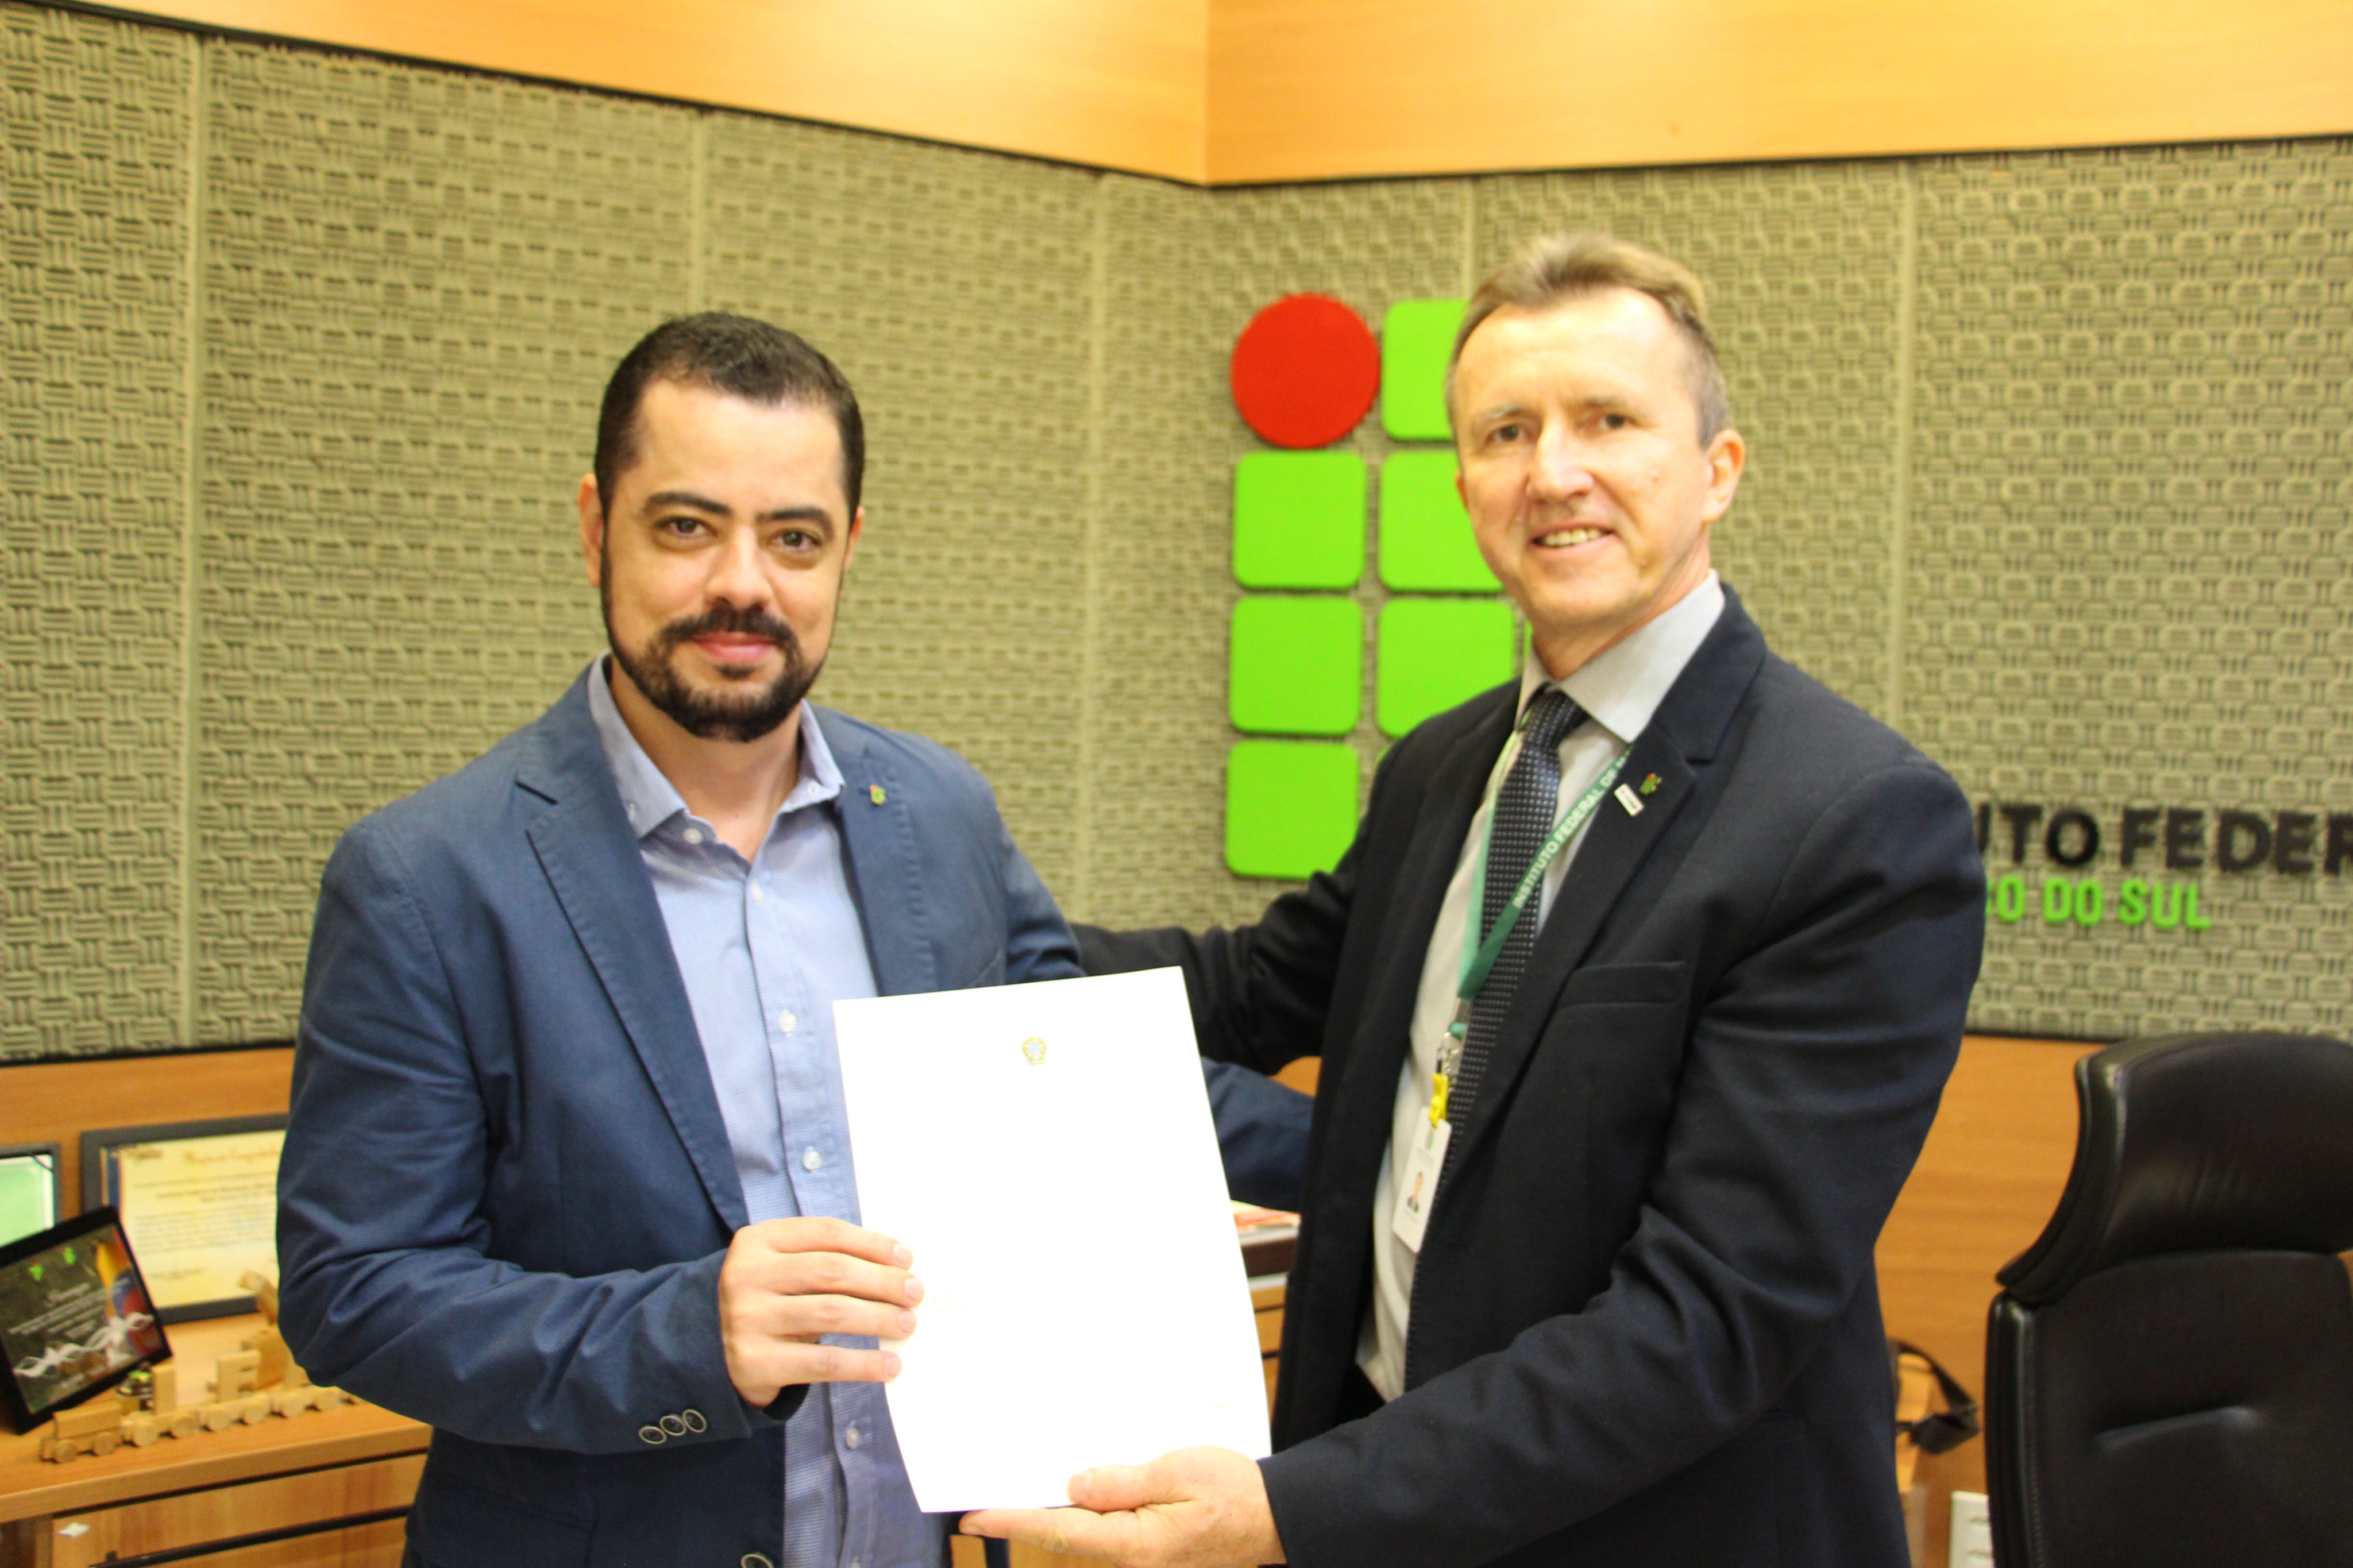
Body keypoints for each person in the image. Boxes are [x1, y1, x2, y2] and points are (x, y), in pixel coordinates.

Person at [970, 235, 1986, 1568]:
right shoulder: (1447, 768)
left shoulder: (1851, 822)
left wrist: (1286, 1514)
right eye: (1506, 432)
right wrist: (951, 938)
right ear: (1463, 489)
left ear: (1717, 470)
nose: (1552, 472)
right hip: (1380, 1501)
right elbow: (1253, 988)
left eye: (1607, 420)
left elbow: (1706, 1321)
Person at [275, 313, 1302, 1568]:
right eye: (686, 526)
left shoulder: (939, 815)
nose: (743, 584)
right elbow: (354, 1290)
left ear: (849, 547)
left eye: (794, 538)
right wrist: (684, 1332)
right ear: (596, 527)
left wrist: (1407, 1167)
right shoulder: (426, 879)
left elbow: (1098, 1086)